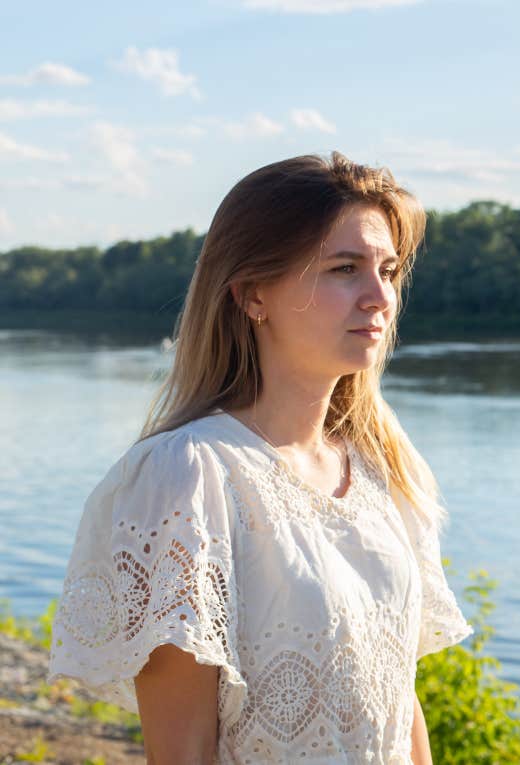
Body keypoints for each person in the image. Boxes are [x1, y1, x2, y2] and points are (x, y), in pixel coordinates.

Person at [48, 153, 471, 763]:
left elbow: (401, 708)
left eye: (389, 269)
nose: (380, 296)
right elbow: (183, 749)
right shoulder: (188, 476)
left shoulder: (381, 467)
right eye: (344, 269)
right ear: (252, 295)